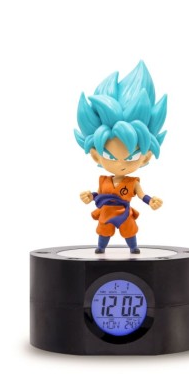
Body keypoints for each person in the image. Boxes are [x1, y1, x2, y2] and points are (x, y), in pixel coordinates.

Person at [74, 61, 167, 253]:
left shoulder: (133, 183)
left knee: (129, 230)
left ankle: (133, 248)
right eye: (110, 156)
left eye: (131, 157)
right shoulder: (104, 181)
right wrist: (90, 196)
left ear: (145, 158)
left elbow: (141, 195)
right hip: (106, 213)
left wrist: (151, 201)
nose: (120, 164)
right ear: (96, 156)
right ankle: (101, 248)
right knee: (104, 230)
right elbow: (99, 194)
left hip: (125, 213)